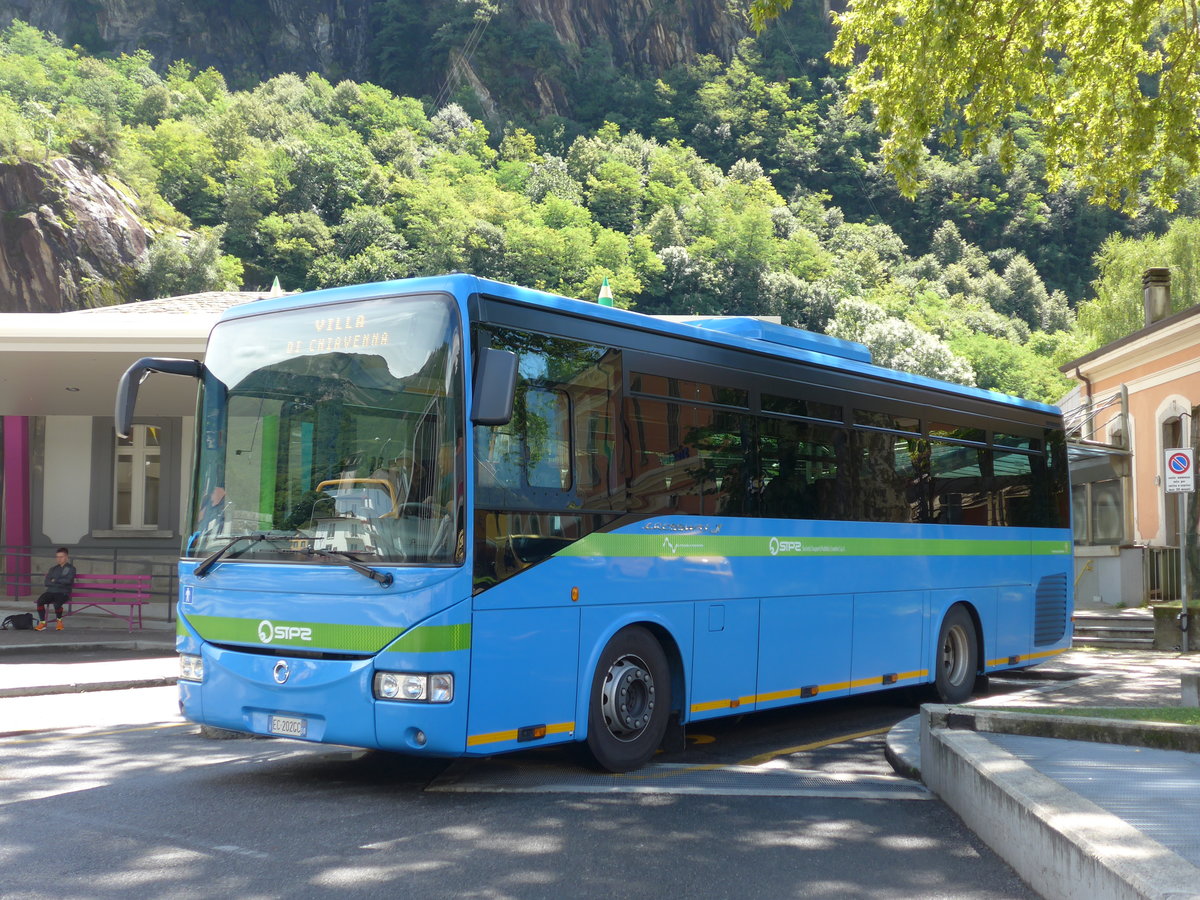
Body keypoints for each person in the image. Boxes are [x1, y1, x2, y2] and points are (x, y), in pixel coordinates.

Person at [34, 547, 76, 631]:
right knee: (40, 601)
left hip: (63, 592)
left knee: (57, 604)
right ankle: (42, 623)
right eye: (57, 557)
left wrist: (55, 580)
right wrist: (60, 581)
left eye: (61, 557)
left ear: (66, 557)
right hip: (51, 591)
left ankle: (59, 621)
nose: (59, 559)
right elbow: (47, 582)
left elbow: (68, 581)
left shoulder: (71, 568)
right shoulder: (53, 569)